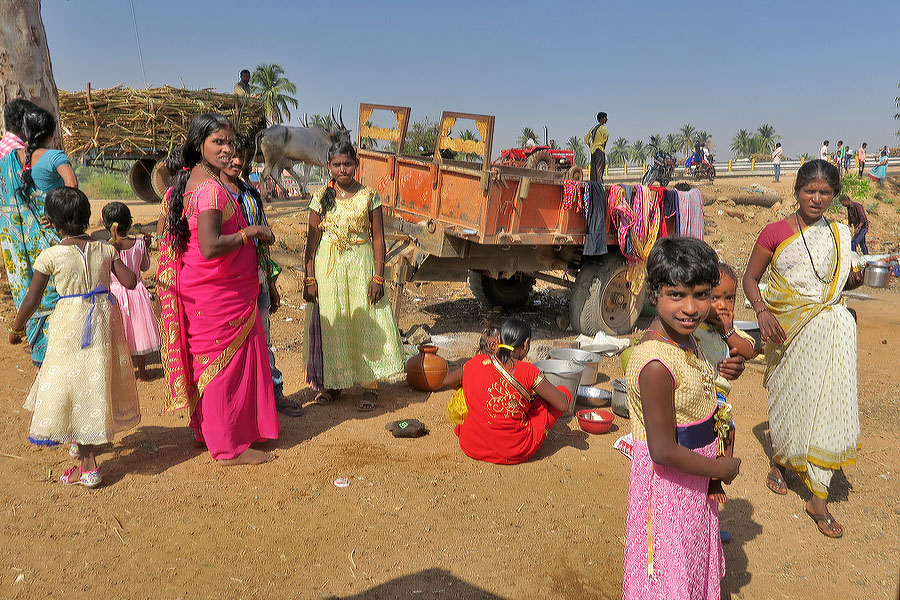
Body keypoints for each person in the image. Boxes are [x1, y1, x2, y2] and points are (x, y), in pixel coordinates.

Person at [743, 159, 862, 538]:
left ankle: (819, 495)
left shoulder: (839, 235)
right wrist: (761, 312)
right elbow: (750, 278)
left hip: (828, 331)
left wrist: (855, 277)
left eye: (824, 192)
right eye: (809, 190)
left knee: (825, 402)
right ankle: (780, 458)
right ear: (796, 191)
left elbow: (837, 288)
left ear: (834, 195)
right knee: (789, 398)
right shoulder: (775, 231)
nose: (816, 198)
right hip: (785, 331)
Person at [622, 237, 741, 599]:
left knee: (689, 561)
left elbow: (694, 393)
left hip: (693, 482)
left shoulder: (687, 341)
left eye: (702, 295)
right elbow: (661, 449)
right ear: (654, 294)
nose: (691, 308)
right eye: (677, 295)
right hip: (669, 488)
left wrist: (719, 371)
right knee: (668, 571)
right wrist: (719, 471)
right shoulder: (656, 364)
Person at [158, 113, 279, 465]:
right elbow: (210, 246)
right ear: (199, 146)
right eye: (218, 143)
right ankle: (227, 447)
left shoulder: (188, 181)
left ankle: (207, 430)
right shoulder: (210, 190)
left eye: (229, 142)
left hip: (204, 288)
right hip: (219, 292)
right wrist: (251, 233)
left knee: (212, 365)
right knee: (224, 368)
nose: (227, 150)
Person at [9, 187, 141, 488]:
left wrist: (16, 330)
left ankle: (88, 466)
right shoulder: (104, 249)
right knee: (94, 379)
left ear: (52, 223)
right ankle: (84, 443)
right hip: (103, 322)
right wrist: (115, 250)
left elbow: (31, 300)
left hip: (70, 324)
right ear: (87, 217)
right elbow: (131, 282)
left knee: (72, 383)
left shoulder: (50, 255)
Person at [303, 141, 404, 410]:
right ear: (329, 166)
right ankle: (332, 384)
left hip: (361, 266)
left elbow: (379, 239)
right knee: (334, 323)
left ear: (356, 165)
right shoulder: (319, 197)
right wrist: (309, 277)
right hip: (329, 270)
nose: (342, 169)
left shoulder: (369, 195)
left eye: (347, 163)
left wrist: (378, 277)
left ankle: (370, 385)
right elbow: (311, 242)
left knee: (364, 321)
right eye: (336, 164)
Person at [219, 133, 298, 416]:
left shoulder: (251, 194)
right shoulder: (214, 196)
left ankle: (272, 394)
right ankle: (239, 404)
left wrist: (271, 285)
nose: (238, 162)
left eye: (244, 157)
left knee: (262, 340)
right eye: (232, 157)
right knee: (232, 345)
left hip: (258, 279)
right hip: (228, 284)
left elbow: (264, 242)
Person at [0, 106, 77, 366]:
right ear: (49, 131)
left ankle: (39, 352)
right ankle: (61, 352)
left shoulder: (10, 160)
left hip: (20, 248)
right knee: (57, 293)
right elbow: (72, 186)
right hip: (50, 237)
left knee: (32, 293)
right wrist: (57, 215)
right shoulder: (54, 155)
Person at [448, 317, 570, 465]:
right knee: (563, 393)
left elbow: (452, 380)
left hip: (472, 445)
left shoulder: (477, 363)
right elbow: (563, 404)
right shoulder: (528, 371)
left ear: (499, 339)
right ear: (526, 344)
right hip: (513, 450)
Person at [695, 262, 758, 543]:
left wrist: (728, 331)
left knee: (728, 433)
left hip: (718, 400)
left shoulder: (729, 333)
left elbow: (750, 349)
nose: (722, 304)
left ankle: (716, 480)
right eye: (715, 296)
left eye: (729, 297)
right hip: (696, 400)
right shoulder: (693, 328)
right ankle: (706, 495)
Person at [101, 202, 161, 381]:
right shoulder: (140, 243)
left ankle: (121, 373)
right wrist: (147, 248)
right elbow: (145, 266)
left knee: (119, 333)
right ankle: (142, 371)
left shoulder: (106, 248)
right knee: (138, 331)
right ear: (129, 222)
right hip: (137, 293)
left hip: (115, 293)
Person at [584, 112, 608, 183]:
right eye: (606, 118)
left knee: (593, 171)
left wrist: (590, 145)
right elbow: (606, 137)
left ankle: (593, 185)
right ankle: (599, 186)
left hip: (593, 151)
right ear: (602, 119)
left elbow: (586, 138)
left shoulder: (594, 128)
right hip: (600, 150)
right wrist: (603, 144)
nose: (607, 119)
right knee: (599, 170)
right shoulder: (603, 128)